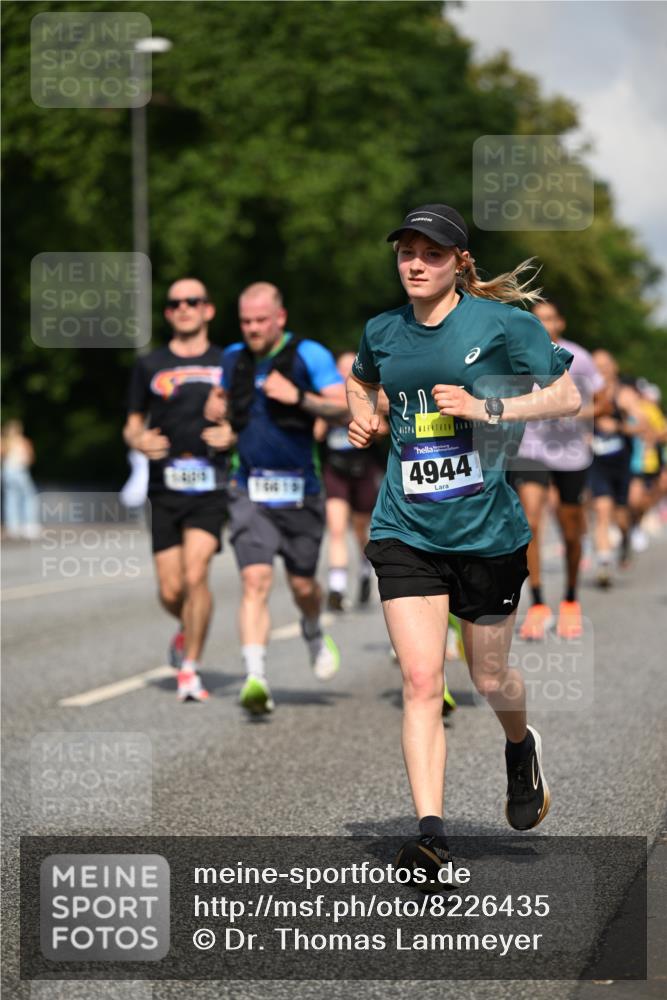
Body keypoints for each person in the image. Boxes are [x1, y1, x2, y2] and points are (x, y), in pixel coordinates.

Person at [346, 204, 580, 880]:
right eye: (406, 252)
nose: (415, 264)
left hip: (485, 533)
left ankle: (519, 744)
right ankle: (431, 838)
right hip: (405, 528)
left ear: (459, 262)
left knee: (488, 677)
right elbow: (359, 381)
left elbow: (565, 398)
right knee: (422, 680)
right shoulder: (382, 330)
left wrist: (488, 407)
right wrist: (362, 419)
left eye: (431, 253)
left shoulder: (502, 325)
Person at [207, 282, 348, 716]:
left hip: (301, 491)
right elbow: (223, 402)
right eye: (245, 321)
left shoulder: (309, 354)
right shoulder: (233, 358)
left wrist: (298, 397)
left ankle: (312, 629)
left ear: (280, 318)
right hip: (248, 487)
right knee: (255, 581)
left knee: (303, 586)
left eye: (260, 321)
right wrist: (218, 417)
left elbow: (345, 407)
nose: (252, 328)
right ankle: (256, 678)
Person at [124, 278, 231, 702]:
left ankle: (190, 669)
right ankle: (189, 623)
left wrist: (232, 433)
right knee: (171, 590)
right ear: (168, 313)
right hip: (164, 487)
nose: (184, 308)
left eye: (193, 301)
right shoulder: (149, 364)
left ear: (208, 309)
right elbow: (132, 423)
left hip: (211, 485)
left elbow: (247, 415)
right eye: (175, 303)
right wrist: (138, 440)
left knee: (195, 573)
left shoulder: (228, 361)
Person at [508, 300, 605, 640]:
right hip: (531, 449)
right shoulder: (517, 356)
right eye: (538, 319)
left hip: (570, 453)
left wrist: (578, 411)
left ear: (561, 322)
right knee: (531, 520)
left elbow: (603, 401)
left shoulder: (581, 357)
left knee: (571, 529)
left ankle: (570, 599)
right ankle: (537, 603)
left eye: (550, 318)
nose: (545, 325)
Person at [315, 351, 386, 611]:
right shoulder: (326, 398)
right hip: (335, 470)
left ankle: (365, 570)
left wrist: (363, 419)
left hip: (363, 469)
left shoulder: (371, 395)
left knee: (359, 530)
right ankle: (337, 587)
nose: (345, 373)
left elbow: (383, 430)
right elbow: (317, 434)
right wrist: (329, 412)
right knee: (336, 528)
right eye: (340, 369)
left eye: (350, 367)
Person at [589, 350, 636, 584]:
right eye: (596, 366)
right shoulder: (587, 393)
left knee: (621, 516)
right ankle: (604, 564)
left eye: (605, 365)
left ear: (614, 367)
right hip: (596, 462)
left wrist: (617, 426)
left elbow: (642, 426)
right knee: (602, 509)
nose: (601, 370)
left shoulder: (624, 394)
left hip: (621, 462)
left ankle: (626, 537)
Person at [1, 420, 39, 539]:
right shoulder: (23, 441)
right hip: (19, 471)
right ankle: (29, 525)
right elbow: (31, 458)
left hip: (6, 472)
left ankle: (13, 527)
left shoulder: (4, 442)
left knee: (11, 498)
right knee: (29, 497)